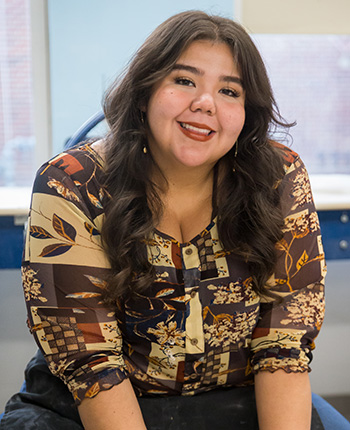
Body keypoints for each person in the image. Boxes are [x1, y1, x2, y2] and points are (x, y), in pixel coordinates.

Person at [3, 10, 349, 430]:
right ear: (145, 90)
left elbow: (283, 346)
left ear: (247, 112)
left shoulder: (279, 177)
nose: (205, 103)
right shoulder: (72, 183)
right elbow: (93, 367)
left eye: (229, 91)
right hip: (90, 408)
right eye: (184, 81)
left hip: (236, 403)